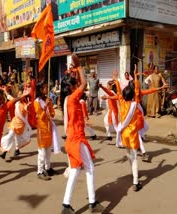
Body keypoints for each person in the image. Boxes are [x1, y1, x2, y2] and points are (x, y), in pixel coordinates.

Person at [62, 54, 104, 214]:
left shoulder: (67, 99)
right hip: (77, 140)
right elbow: (85, 83)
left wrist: (73, 71)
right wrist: (79, 67)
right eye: (76, 84)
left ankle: (66, 205)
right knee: (90, 169)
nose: (79, 85)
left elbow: (81, 83)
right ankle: (93, 203)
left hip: (72, 140)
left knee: (75, 171)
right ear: (73, 87)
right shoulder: (72, 98)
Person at [113, 68, 143, 192]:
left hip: (124, 134)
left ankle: (132, 172)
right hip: (133, 134)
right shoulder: (134, 104)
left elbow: (119, 90)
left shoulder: (121, 101)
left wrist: (115, 79)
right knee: (134, 156)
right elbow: (137, 91)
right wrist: (135, 77)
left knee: (129, 154)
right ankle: (136, 182)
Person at [34, 83, 60, 180]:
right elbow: (40, 116)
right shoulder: (36, 102)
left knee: (48, 151)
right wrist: (46, 106)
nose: (47, 89)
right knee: (42, 152)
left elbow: (52, 113)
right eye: (45, 88)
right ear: (41, 89)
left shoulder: (47, 99)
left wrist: (50, 106)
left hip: (49, 128)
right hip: (42, 129)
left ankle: (48, 168)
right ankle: (40, 171)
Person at [0, 90, 32, 159]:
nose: (20, 96)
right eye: (19, 95)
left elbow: (27, 109)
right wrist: (5, 91)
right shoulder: (16, 101)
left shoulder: (24, 104)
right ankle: (4, 151)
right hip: (14, 122)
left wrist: (28, 106)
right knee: (10, 135)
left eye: (22, 95)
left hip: (20, 125)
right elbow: (9, 97)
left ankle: (17, 149)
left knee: (18, 138)